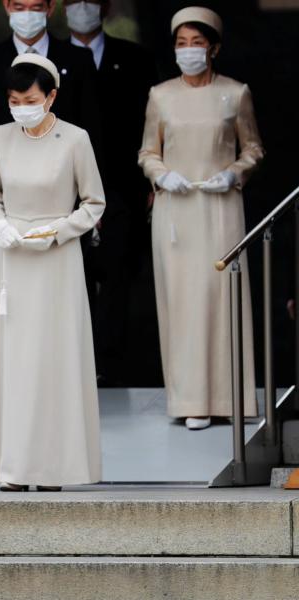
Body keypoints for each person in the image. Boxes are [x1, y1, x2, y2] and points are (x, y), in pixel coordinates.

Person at [0, 54, 105, 492]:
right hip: (12, 257)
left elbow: (94, 203)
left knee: (53, 360)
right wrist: (0, 226)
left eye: (30, 99)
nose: (21, 107)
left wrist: (58, 231)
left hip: (57, 257)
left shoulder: (75, 140)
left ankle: (53, 467)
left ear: (51, 96)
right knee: (15, 360)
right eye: (14, 100)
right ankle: (13, 467)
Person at [138, 7, 265, 430]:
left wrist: (233, 173)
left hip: (221, 205)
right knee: (183, 302)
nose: (188, 51)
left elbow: (253, 149)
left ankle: (231, 398)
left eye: (196, 42)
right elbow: (147, 152)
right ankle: (190, 399)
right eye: (181, 43)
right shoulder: (161, 95)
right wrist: (162, 175)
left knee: (221, 296)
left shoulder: (236, 93)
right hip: (176, 211)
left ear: (213, 47)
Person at [64, 0, 160, 385]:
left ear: (105, 7)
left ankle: (117, 371)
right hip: (67, 191)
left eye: (91, 0)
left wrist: (150, 179)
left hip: (125, 189)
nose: (83, 7)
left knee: (122, 278)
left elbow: (152, 124)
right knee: (74, 278)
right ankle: (76, 370)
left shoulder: (134, 58)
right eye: (73, 0)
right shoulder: (54, 58)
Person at [0, 0, 101, 245]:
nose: (27, 14)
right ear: (6, 6)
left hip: (65, 206)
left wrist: (88, 208)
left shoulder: (78, 59)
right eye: (19, 7)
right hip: (8, 204)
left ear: (50, 9)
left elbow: (94, 129)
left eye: (36, 7)